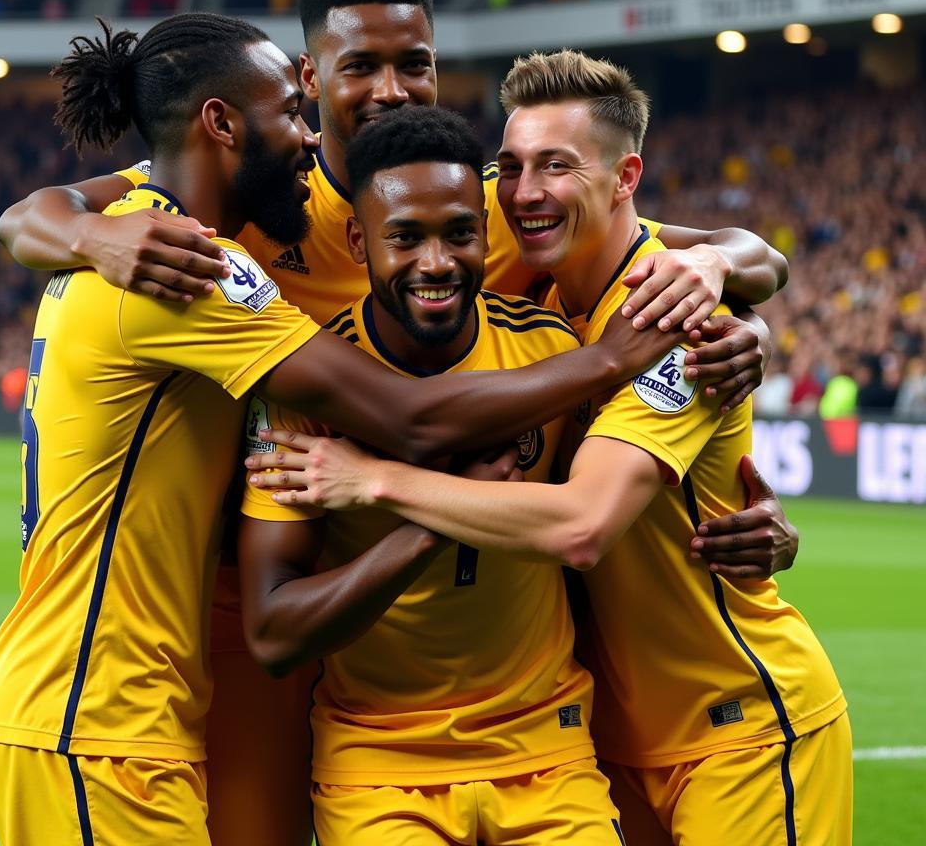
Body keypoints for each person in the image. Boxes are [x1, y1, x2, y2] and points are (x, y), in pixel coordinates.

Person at [0, 0, 790, 844]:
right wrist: (87, 236)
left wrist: (721, 287)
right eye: (358, 66)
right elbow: (29, 213)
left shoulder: (479, 199)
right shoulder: (238, 213)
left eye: (415, 65)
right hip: (247, 595)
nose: (390, 89)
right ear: (309, 78)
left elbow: (735, 254)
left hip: (513, 638)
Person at [247, 51, 850, 846]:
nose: (526, 192)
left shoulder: (675, 318)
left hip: (730, 721)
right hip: (616, 738)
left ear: (625, 177)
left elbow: (580, 523)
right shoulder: (560, 311)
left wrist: (378, 480)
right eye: (513, 168)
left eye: (556, 167)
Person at [240, 105, 631, 844]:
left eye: (458, 233)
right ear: (360, 240)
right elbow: (273, 631)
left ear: (487, 233)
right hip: (378, 760)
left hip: (547, 746)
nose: (436, 262)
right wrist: (433, 526)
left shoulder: (551, 352)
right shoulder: (302, 394)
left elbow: (613, 508)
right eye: (405, 237)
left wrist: (758, 525)